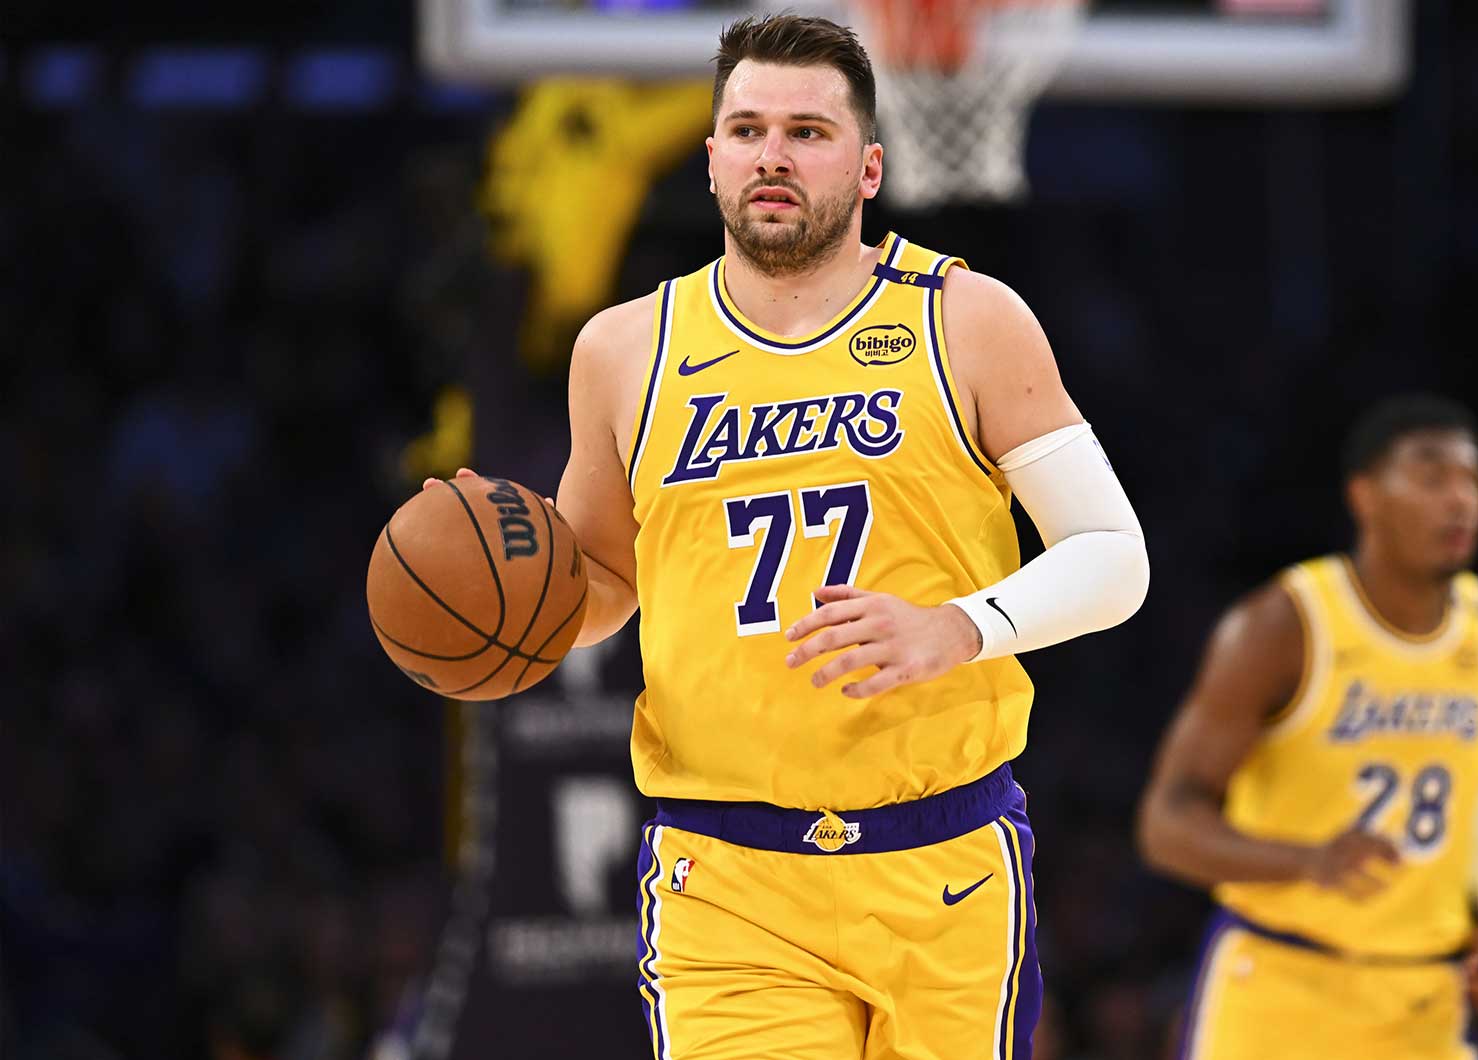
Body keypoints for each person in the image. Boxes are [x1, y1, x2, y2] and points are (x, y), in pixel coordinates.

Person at [431, 14, 1148, 1059]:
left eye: (807, 132)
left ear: (869, 167)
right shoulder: (623, 350)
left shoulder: (969, 321)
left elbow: (1114, 554)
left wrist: (960, 626)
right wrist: (503, 582)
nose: (773, 154)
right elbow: (603, 584)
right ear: (712, 158)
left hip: (944, 861)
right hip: (729, 878)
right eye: (748, 129)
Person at [1136, 395, 1478, 1059]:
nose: (1460, 500)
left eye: (1473, 481)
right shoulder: (1282, 626)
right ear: (1365, 496)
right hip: (1278, 983)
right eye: (1432, 478)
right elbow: (1166, 825)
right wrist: (1306, 861)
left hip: (1423, 996)